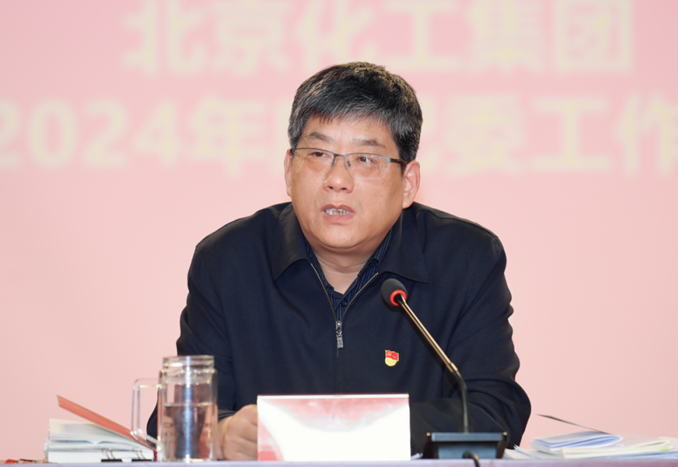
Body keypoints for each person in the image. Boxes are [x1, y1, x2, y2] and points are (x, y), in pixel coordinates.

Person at [148, 62, 530, 459]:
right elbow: (173, 423)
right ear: (289, 170)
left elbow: (494, 412)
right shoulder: (228, 261)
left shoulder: (465, 261)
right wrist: (221, 434)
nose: (337, 180)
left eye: (365, 159)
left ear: (408, 183)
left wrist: (345, 431)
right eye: (318, 154)